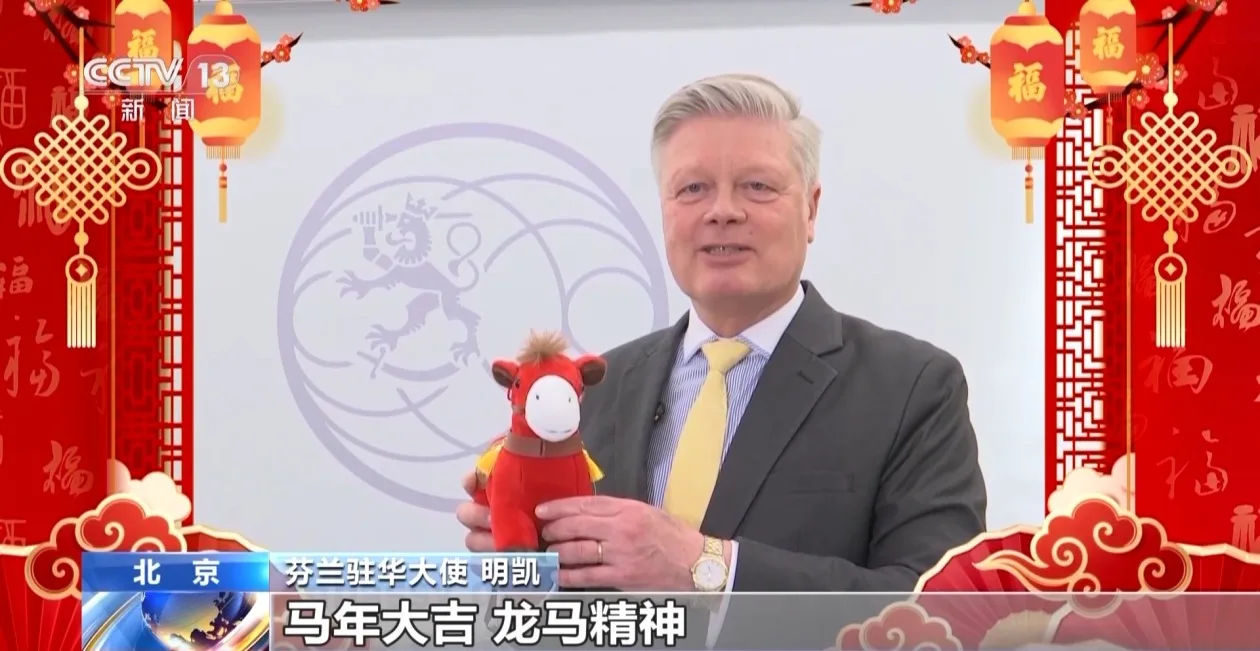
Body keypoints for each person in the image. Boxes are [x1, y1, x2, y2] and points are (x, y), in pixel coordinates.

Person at [457, 73, 986, 642]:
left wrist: (710, 570)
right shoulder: (593, 392)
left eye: (758, 186)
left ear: (811, 210)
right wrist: (524, 564)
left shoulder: (912, 388)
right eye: (692, 189)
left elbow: (947, 610)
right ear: (664, 210)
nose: (723, 211)